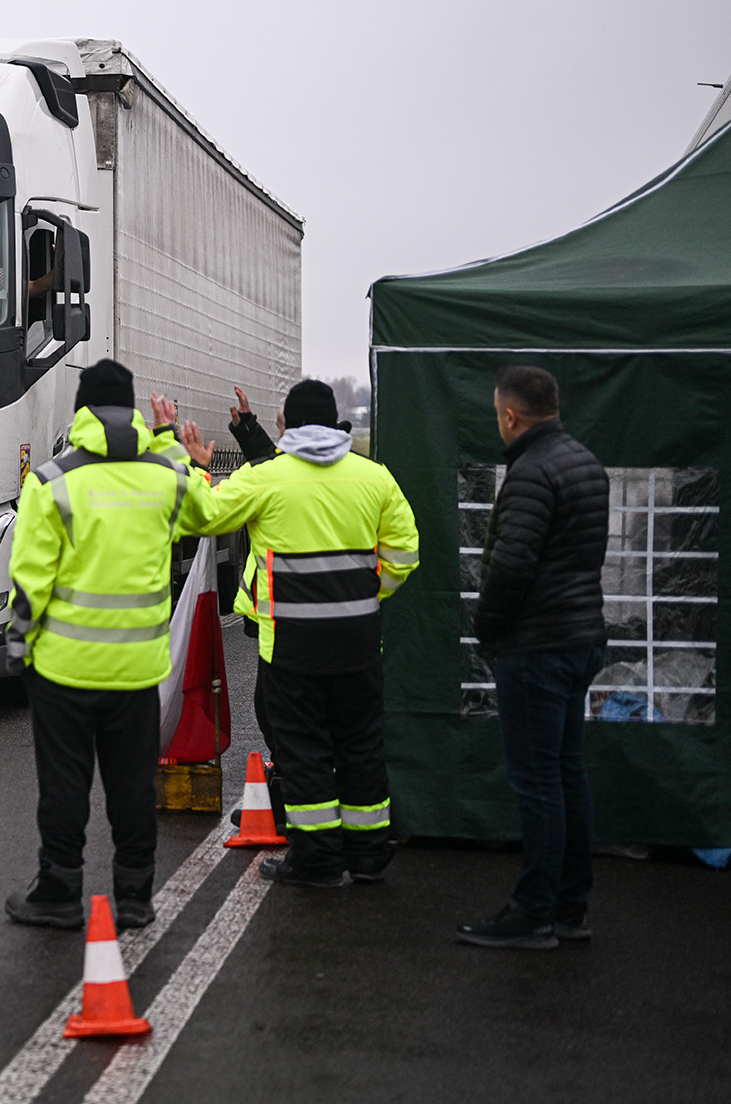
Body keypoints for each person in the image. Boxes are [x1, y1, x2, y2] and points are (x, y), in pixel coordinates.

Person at [4, 359, 220, 931]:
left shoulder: (51, 483)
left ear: (81, 412)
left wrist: (18, 647)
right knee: (131, 785)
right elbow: (204, 511)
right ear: (131, 412)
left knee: (64, 785)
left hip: (62, 669)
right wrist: (175, 446)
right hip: (136, 669)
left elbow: (30, 581)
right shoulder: (166, 481)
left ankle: (59, 893)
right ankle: (133, 897)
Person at [185, 379, 420, 887]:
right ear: (335, 421)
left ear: (286, 424)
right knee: (360, 745)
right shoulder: (374, 476)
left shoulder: (269, 478)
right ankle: (369, 853)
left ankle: (317, 861)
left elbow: (202, 515)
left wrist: (200, 469)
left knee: (304, 750)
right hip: (358, 641)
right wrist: (361, 596)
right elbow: (405, 552)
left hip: (291, 646)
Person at [457, 366, 609, 950]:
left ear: (510, 415)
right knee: (569, 774)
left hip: (537, 646)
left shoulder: (529, 473)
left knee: (537, 782)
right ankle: (570, 907)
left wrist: (488, 628)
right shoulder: (584, 463)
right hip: (580, 640)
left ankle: (533, 912)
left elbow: (511, 565)